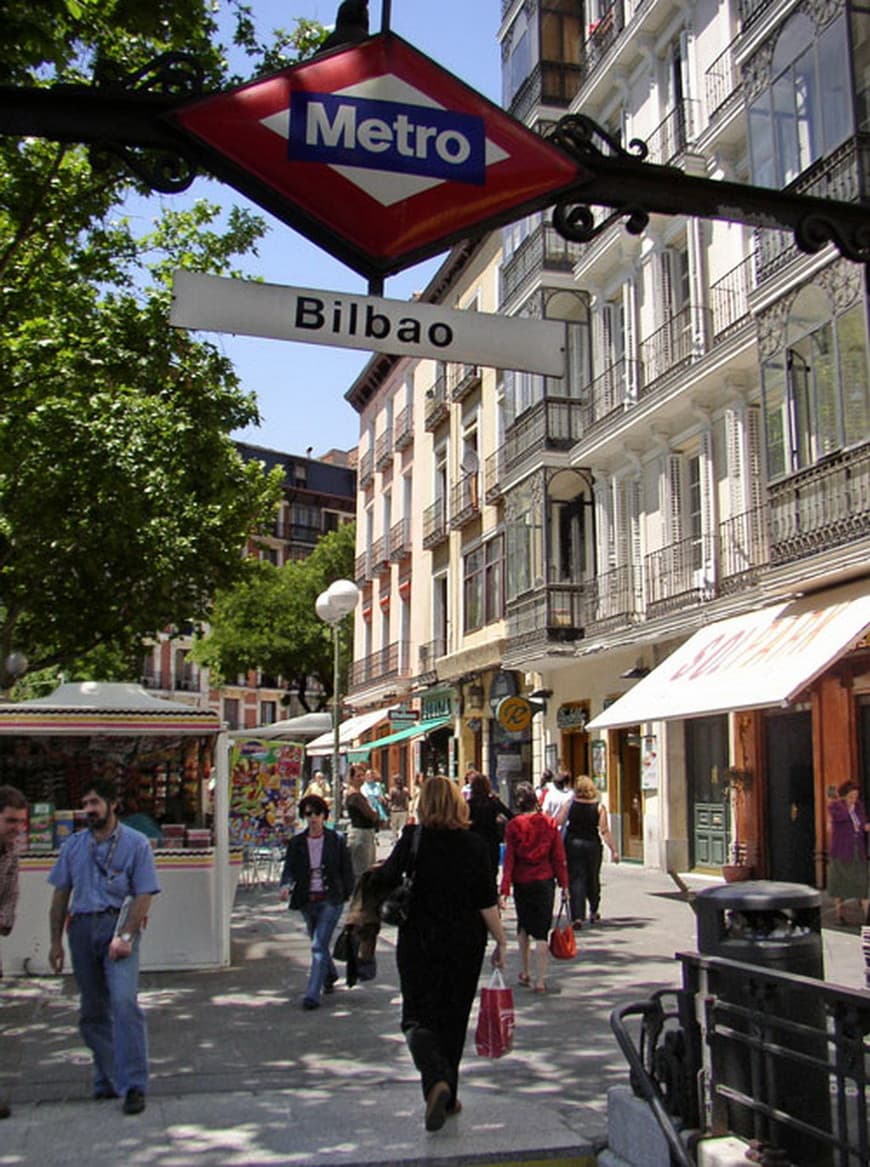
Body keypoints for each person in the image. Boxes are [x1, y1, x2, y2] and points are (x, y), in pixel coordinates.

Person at [374, 775, 507, 1132]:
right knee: (453, 1018)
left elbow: (385, 877)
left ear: (423, 804)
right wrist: (502, 941)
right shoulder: (476, 844)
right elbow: (485, 900)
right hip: (464, 942)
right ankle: (447, 1094)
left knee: (417, 1018)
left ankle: (436, 1081)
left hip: (418, 939)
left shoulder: (413, 838)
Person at [48, 779, 160, 1115]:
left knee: (124, 1002)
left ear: (112, 804)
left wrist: (125, 936)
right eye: (85, 803)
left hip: (118, 926)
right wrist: (55, 942)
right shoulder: (73, 846)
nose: (89, 810)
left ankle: (134, 1085)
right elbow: (59, 896)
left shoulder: (137, 844)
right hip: (81, 928)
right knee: (93, 1011)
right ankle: (107, 1078)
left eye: (95, 802)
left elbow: (144, 894)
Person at [279, 793, 354, 1010]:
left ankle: (312, 994)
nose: (313, 818)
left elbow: (346, 870)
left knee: (318, 945)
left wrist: (347, 895)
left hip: (330, 899)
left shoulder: (336, 840)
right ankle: (329, 974)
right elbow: (290, 869)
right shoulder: (297, 843)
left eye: (317, 813)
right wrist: (285, 886)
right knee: (318, 942)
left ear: (324, 815)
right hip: (306, 899)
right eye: (308, 814)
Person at [500, 781, 568, 994]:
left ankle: (526, 970)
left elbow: (509, 860)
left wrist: (504, 889)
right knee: (541, 932)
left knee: (524, 926)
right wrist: (564, 884)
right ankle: (540, 980)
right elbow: (558, 857)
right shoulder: (549, 824)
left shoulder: (513, 825)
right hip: (545, 880)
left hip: (522, 881)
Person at [558, 775, 619, 928]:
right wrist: (614, 850)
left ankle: (577, 916)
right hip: (592, 845)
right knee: (593, 877)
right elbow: (604, 831)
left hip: (573, 844)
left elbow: (558, 821)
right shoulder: (599, 807)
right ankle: (593, 910)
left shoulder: (570, 804)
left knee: (575, 879)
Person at [0, 785, 27, 1119]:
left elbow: (10, 897)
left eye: (20, 822)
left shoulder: (10, 854)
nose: (16, 828)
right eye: (10, 821)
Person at [827, 781, 870, 925]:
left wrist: (865, 826)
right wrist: (848, 807)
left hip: (857, 849)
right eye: (851, 796)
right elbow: (841, 817)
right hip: (841, 850)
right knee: (839, 883)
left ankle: (867, 916)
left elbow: (863, 823)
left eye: (856, 796)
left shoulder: (859, 806)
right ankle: (839, 915)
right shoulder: (835, 806)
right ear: (844, 795)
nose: (854, 799)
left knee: (862, 882)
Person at [467, 772, 513, 898]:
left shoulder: (469, 804)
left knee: (476, 873)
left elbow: (462, 822)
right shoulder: (494, 802)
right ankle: (492, 901)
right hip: (491, 841)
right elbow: (510, 815)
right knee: (491, 873)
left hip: (474, 843)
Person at [345, 766, 379, 879]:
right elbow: (370, 814)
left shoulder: (358, 794)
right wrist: (375, 813)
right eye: (358, 776)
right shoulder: (355, 796)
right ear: (351, 778)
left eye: (362, 775)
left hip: (364, 834)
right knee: (362, 871)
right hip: (361, 835)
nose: (361, 778)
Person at [387, 776, 409, 841]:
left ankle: (394, 838)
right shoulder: (405, 790)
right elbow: (408, 799)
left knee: (394, 826)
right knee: (402, 826)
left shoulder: (392, 790)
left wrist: (386, 798)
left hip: (394, 810)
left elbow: (390, 799)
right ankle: (400, 838)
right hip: (403, 810)